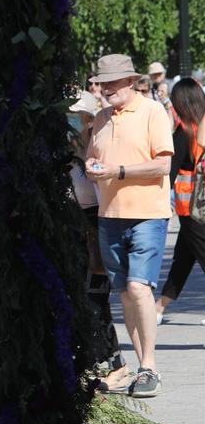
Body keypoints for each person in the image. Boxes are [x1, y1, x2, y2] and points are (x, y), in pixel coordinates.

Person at [86, 54, 173, 397]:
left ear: (132, 82)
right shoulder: (101, 118)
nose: (107, 89)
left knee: (139, 289)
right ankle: (142, 368)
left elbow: (162, 165)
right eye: (103, 83)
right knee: (124, 293)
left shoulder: (152, 111)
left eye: (113, 82)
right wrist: (93, 164)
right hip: (109, 215)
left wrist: (117, 172)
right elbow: (94, 157)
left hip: (148, 213)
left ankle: (150, 365)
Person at [68, 91, 129, 392]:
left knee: (96, 299)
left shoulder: (103, 148)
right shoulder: (67, 149)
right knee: (79, 298)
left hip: (99, 223)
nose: (76, 123)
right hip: (72, 226)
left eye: (79, 117)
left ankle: (113, 362)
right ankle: (93, 359)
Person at [157, 79, 205, 326]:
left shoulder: (183, 132)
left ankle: (157, 308)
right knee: (183, 258)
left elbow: (170, 171)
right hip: (199, 209)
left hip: (193, 210)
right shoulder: (202, 128)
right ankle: (158, 307)